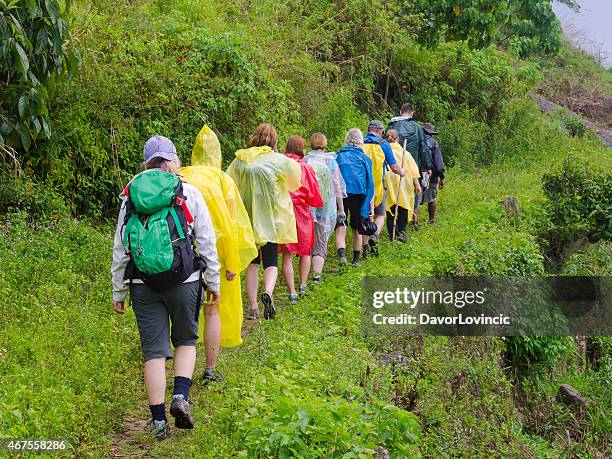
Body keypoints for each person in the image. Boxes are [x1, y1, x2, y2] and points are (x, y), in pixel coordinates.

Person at [111, 135, 221, 439]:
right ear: (173, 160)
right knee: (185, 340)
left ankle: (158, 422)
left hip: (142, 282)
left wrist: (118, 290)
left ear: (146, 161)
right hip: (185, 279)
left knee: (153, 353)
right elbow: (206, 241)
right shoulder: (188, 192)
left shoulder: (131, 194)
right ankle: (181, 396)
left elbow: (121, 247)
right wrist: (212, 280)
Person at [180, 125, 257, 383]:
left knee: (181, 311)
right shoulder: (223, 180)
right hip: (214, 253)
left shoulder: (180, 175)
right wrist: (232, 260)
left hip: (181, 252)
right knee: (212, 308)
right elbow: (231, 222)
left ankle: (178, 364)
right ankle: (210, 368)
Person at [226, 123, 301, 320]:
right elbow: (295, 182)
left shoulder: (240, 160)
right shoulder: (279, 160)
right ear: (274, 140)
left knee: (253, 262)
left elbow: (228, 184)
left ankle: (252, 307)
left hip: (247, 219)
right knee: (270, 262)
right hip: (272, 219)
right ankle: (268, 291)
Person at [280, 135, 323, 303]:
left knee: (287, 253)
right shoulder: (306, 168)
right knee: (305, 250)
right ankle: (303, 285)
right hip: (302, 212)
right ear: (301, 149)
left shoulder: (281, 166)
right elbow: (314, 194)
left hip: (284, 211)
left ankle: (292, 291)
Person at [303, 133, 346, 282]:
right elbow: (337, 186)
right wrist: (341, 209)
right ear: (325, 143)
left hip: (308, 206)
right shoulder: (331, 162)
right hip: (325, 206)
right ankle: (316, 277)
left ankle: (303, 278)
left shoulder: (306, 160)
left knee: (308, 241)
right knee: (321, 242)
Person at [361, 120, 405, 253]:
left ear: (368, 129)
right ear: (380, 131)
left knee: (364, 215)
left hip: (361, 186)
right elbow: (393, 166)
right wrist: (402, 172)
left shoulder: (360, 142)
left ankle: (365, 245)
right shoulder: (384, 145)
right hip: (377, 187)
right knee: (380, 215)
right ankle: (374, 235)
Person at [387, 103, 432, 230]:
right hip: (411, 166)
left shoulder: (391, 125)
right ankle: (413, 220)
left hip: (392, 166)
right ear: (411, 113)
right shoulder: (417, 128)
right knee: (414, 191)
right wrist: (427, 166)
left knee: (393, 192)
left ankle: (393, 222)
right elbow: (423, 148)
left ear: (401, 112)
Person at [335, 128, 375, 266]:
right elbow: (370, 182)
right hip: (359, 194)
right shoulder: (365, 158)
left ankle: (342, 256)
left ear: (346, 140)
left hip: (341, 194)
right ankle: (356, 260)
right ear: (360, 141)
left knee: (341, 225)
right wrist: (370, 205)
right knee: (356, 228)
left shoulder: (338, 156)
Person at [384, 129, 421, 242]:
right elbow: (413, 171)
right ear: (398, 139)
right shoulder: (405, 153)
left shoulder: (384, 150)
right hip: (403, 182)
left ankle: (392, 234)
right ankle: (402, 231)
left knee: (390, 208)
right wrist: (417, 185)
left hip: (389, 183)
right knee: (403, 206)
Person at [422, 123, 445, 224]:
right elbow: (438, 161)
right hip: (432, 175)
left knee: (416, 198)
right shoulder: (433, 143)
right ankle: (431, 220)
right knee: (431, 198)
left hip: (418, 174)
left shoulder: (416, 141)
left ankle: (414, 221)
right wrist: (442, 176)